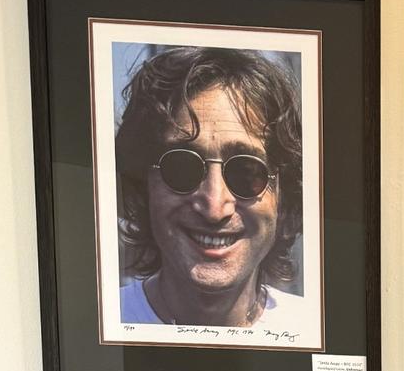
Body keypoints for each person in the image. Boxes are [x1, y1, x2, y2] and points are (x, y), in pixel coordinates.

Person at [113, 46, 304, 330]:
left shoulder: (315, 329)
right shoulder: (98, 325)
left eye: (247, 172)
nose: (214, 207)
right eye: (181, 167)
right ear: (143, 190)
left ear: (285, 204)